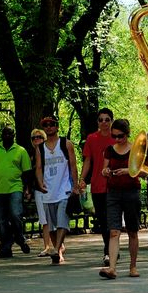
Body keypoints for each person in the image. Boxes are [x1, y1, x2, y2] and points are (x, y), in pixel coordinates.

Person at [33, 116, 80, 264]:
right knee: (51, 226)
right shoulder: (41, 148)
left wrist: (75, 185)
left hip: (64, 189)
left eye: (51, 124)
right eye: (46, 125)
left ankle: (56, 249)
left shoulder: (66, 144)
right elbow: (39, 168)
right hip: (48, 191)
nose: (49, 127)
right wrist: (40, 184)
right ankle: (58, 251)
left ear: (57, 127)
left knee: (61, 222)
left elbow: (73, 165)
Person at [97, 119, 140, 278]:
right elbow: (103, 169)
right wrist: (106, 171)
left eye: (120, 136)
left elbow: (143, 172)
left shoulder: (135, 149)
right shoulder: (109, 150)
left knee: (132, 231)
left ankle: (133, 265)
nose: (117, 140)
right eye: (114, 136)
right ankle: (112, 268)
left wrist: (128, 171)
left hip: (131, 192)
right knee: (114, 231)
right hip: (113, 192)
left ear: (127, 134)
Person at [0, 126, 32, 258]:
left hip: (15, 188)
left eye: (10, 133)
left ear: (14, 135)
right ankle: (5, 248)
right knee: (1, 220)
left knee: (16, 215)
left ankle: (19, 238)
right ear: (2, 135)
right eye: (5, 133)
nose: (8, 136)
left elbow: (27, 172)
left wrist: (28, 188)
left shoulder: (21, 151)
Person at [79, 108, 116, 265]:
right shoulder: (91, 138)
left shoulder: (117, 138)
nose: (104, 123)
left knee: (111, 219)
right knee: (102, 219)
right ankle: (109, 248)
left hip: (114, 185)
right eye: (101, 120)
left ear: (111, 121)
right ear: (97, 122)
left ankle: (109, 251)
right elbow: (87, 160)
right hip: (96, 184)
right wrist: (82, 179)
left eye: (107, 119)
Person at [29, 128, 55, 255]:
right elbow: (29, 175)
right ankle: (46, 246)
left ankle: (59, 245)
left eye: (39, 137)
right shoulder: (31, 156)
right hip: (38, 189)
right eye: (34, 138)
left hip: (52, 187)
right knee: (44, 219)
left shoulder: (51, 152)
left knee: (54, 217)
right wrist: (28, 189)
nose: (36, 139)